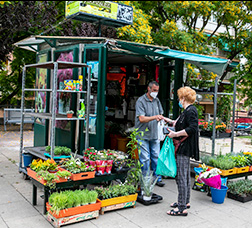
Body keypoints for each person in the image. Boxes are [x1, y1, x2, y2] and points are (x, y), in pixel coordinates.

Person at [166, 86, 199, 216]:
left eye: (179, 97)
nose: (179, 100)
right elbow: (179, 123)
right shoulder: (187, 111)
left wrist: (175, 135)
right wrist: (167, 120)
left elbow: (192, 128)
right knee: (184, 176)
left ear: (183, 98)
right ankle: (185, 201)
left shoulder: (190, 111)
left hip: (184, 147)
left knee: (181, 177)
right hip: (184, 146)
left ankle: (181, 208)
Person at [135, 81, 165, 187]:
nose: (156, 92)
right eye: (154, 90)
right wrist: (155, 117)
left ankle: (158, 178)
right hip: (142, 135)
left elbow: (160, 114)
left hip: (154, 134)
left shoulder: (157, 101)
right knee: (145, 158)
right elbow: (141, 118)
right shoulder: (141, 101)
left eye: (157, 91)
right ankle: (146, 179)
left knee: (156, 156)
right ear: (149, 89)